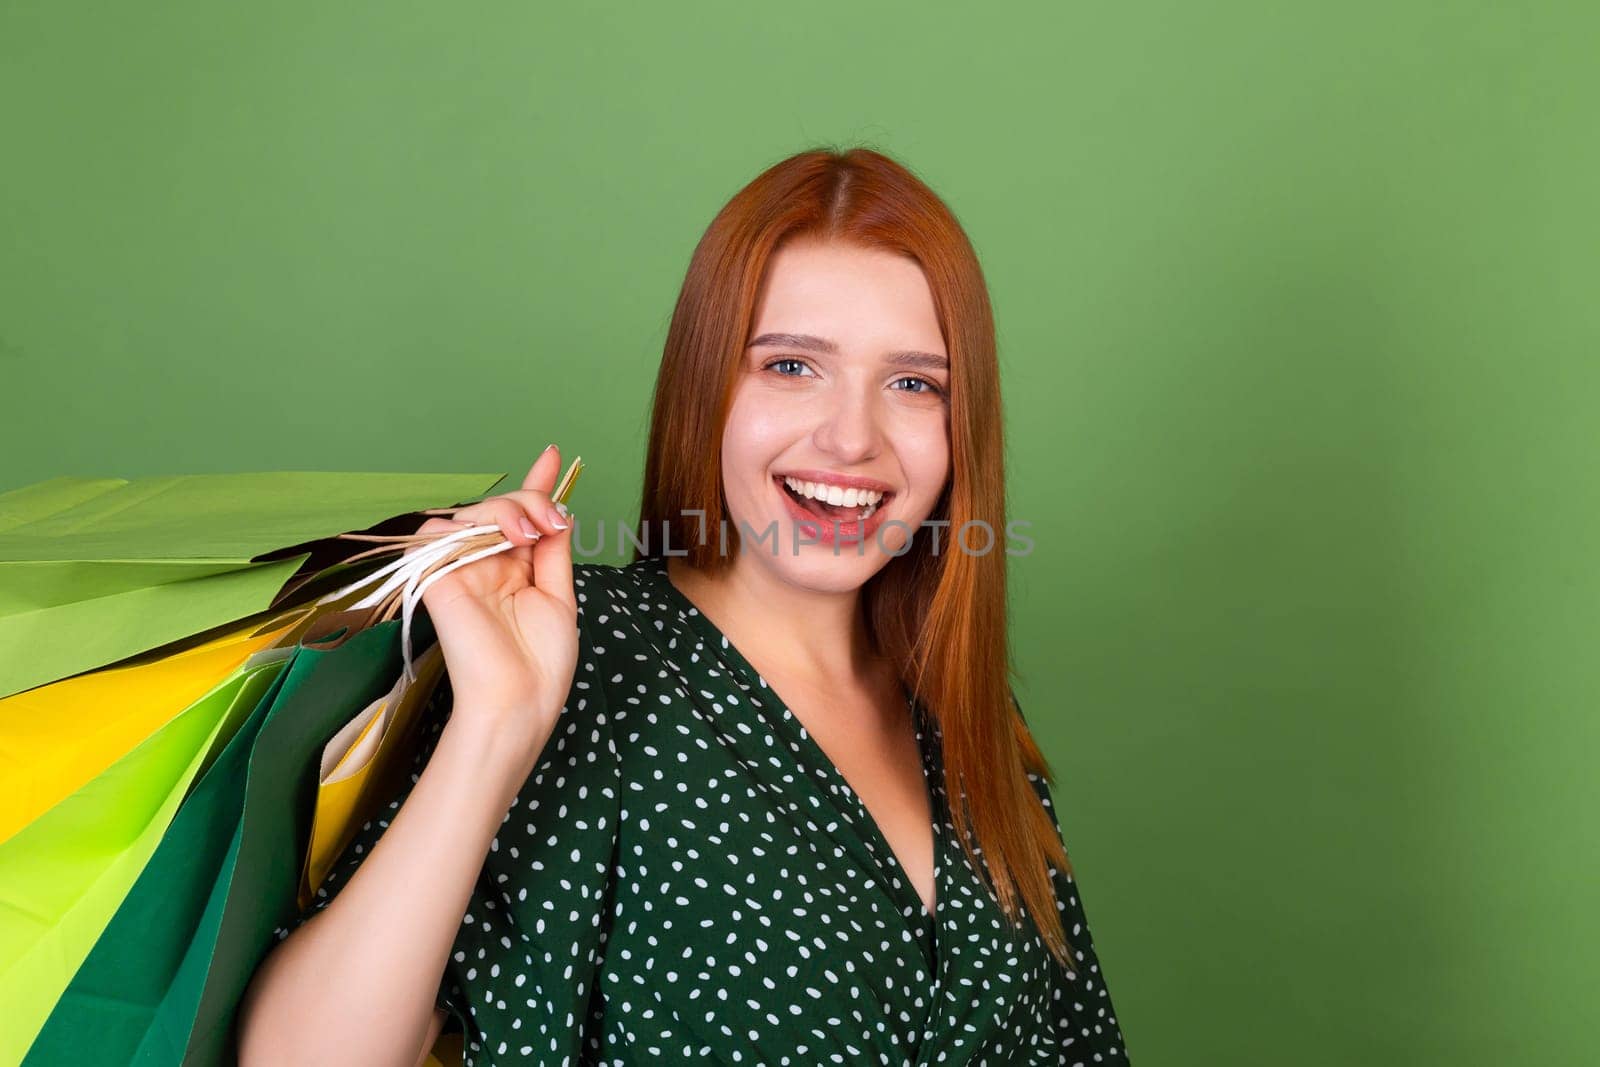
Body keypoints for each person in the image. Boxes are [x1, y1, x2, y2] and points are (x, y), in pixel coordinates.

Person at [237, 147, 1130, 1066]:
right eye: (791, 365)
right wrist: (497, 723)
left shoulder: (966, 711)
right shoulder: (583, 658)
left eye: (913, 384)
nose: (854, 437)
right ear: (707, 388)